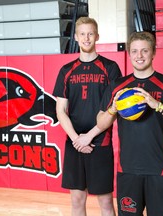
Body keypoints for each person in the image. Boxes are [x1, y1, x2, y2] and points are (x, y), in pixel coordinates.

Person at [76, 31, 163, 216]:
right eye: (134, 51)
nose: (139, 56)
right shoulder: (118, 86)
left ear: (153, 53)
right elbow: (101, 122)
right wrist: (113, 109)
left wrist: (158, 106)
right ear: (129, 54)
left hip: (159, 168)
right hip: (128, 169)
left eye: (145, 51)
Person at [53, 17, 122, 216]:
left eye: (90, 33)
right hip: (74, 144)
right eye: (82, 33)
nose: (86, 37)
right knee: (76, 200)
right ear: (76, 37)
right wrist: (77, 139)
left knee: (106, 202)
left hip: (100, 142)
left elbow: (113, 109)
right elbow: (60, 111)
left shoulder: (110, 68)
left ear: (97, 36)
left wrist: (89, 136)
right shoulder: (66, 71)